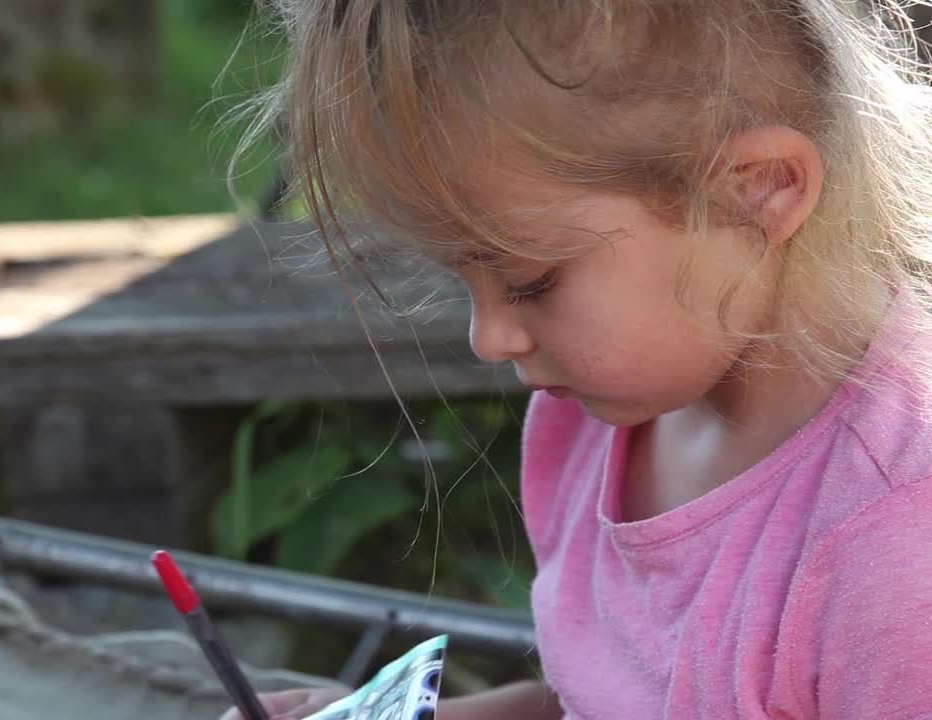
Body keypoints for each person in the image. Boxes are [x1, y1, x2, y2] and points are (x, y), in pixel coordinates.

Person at [222, 1, 932, 717]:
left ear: (758, 191)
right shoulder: (596, 421)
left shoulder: (895, 555)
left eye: (532, 281)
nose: (489, 338)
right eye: (461, 278)